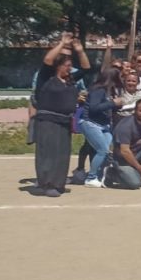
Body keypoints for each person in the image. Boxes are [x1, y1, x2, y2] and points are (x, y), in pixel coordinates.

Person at [32, 34, 90, 197]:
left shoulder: (70, 80)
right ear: (59, 66)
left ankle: (58, 183)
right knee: (47, 153)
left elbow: (86, 69)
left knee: (62, 154)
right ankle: (45, 184)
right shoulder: (47, 78)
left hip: (64, 121)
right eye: (67, 65)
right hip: (47, 121)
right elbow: (47, 60)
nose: (69, 69)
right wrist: (62, 43)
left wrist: (80, 51)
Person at [79, 66, 123, 188]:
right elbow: (93, 108)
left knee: (109, 150)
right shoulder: (98, 90)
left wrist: (116, 105)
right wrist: (113, 103)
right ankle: (91, 177)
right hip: (90, 123)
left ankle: (100, 175)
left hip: (103, 124)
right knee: (102, 150)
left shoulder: (109, 90)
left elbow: (106, 107)